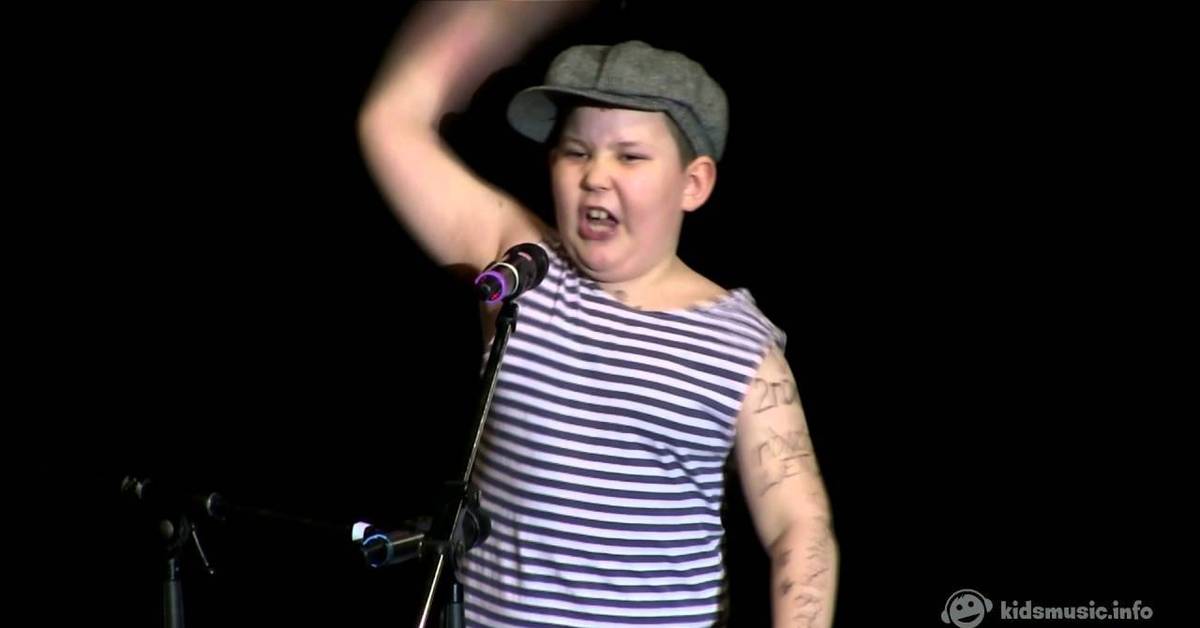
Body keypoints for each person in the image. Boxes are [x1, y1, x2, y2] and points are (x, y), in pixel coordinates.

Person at [358, 2, 837, 626]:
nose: (595, 176)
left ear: (693, 183)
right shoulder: (522, 265)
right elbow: (391, 124)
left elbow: (800, 530)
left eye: (629, 156)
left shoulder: (740, 345)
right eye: (575, 151)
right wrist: (485, 23)